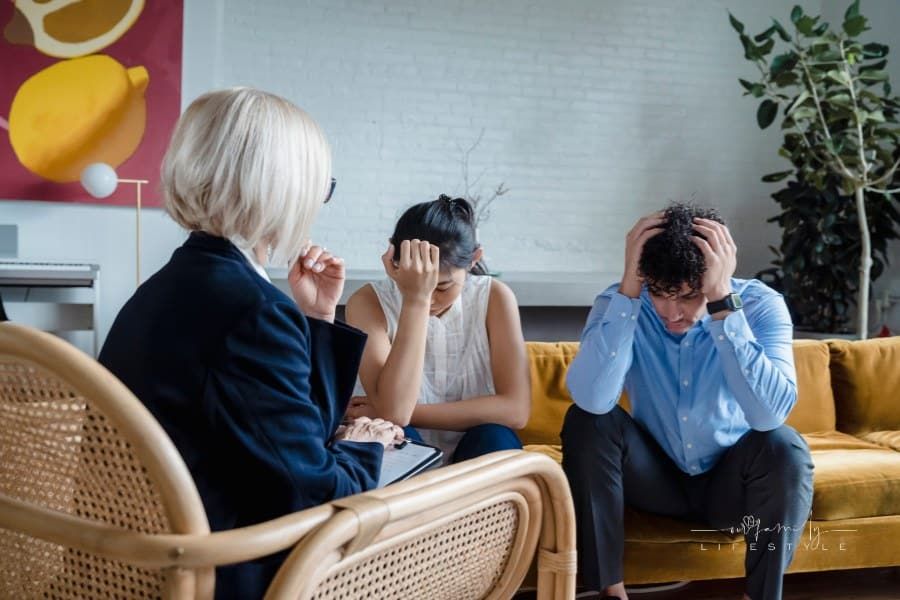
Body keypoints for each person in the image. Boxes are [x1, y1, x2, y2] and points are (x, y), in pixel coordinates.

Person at [99, 88, 402, 598]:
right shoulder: (251, 310)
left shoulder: (169, 286)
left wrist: (318, 319)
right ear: (285, 190)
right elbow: (318, 496)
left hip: (141, 566)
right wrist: (367, 446)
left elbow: (288, 441)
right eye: (319, 186)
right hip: (225, 570)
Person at [562, 203, 813, 600]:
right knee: (587, 422)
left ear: (719, 276)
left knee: (785, 447)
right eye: (661, 294)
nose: (671, 313)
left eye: (689, 295)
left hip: (731, 488)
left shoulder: (761, 305)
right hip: (655, 479)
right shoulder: (622, 302)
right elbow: (593, 400)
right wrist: (630, 288)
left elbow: (769, 416)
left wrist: (721, 304)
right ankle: (611, 592)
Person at [344, 195, 530, 463]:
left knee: (497, 436)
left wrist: (405, 410)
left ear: (473, 259)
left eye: (442, 287)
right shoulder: (367, 302)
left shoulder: (495, 297)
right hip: (401, 442)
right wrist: (414, 301)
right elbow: (396, 414)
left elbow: (517, 410)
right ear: (393, 261)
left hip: (476, 447)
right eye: (419, 284)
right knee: (393, 434)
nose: (430, 297)